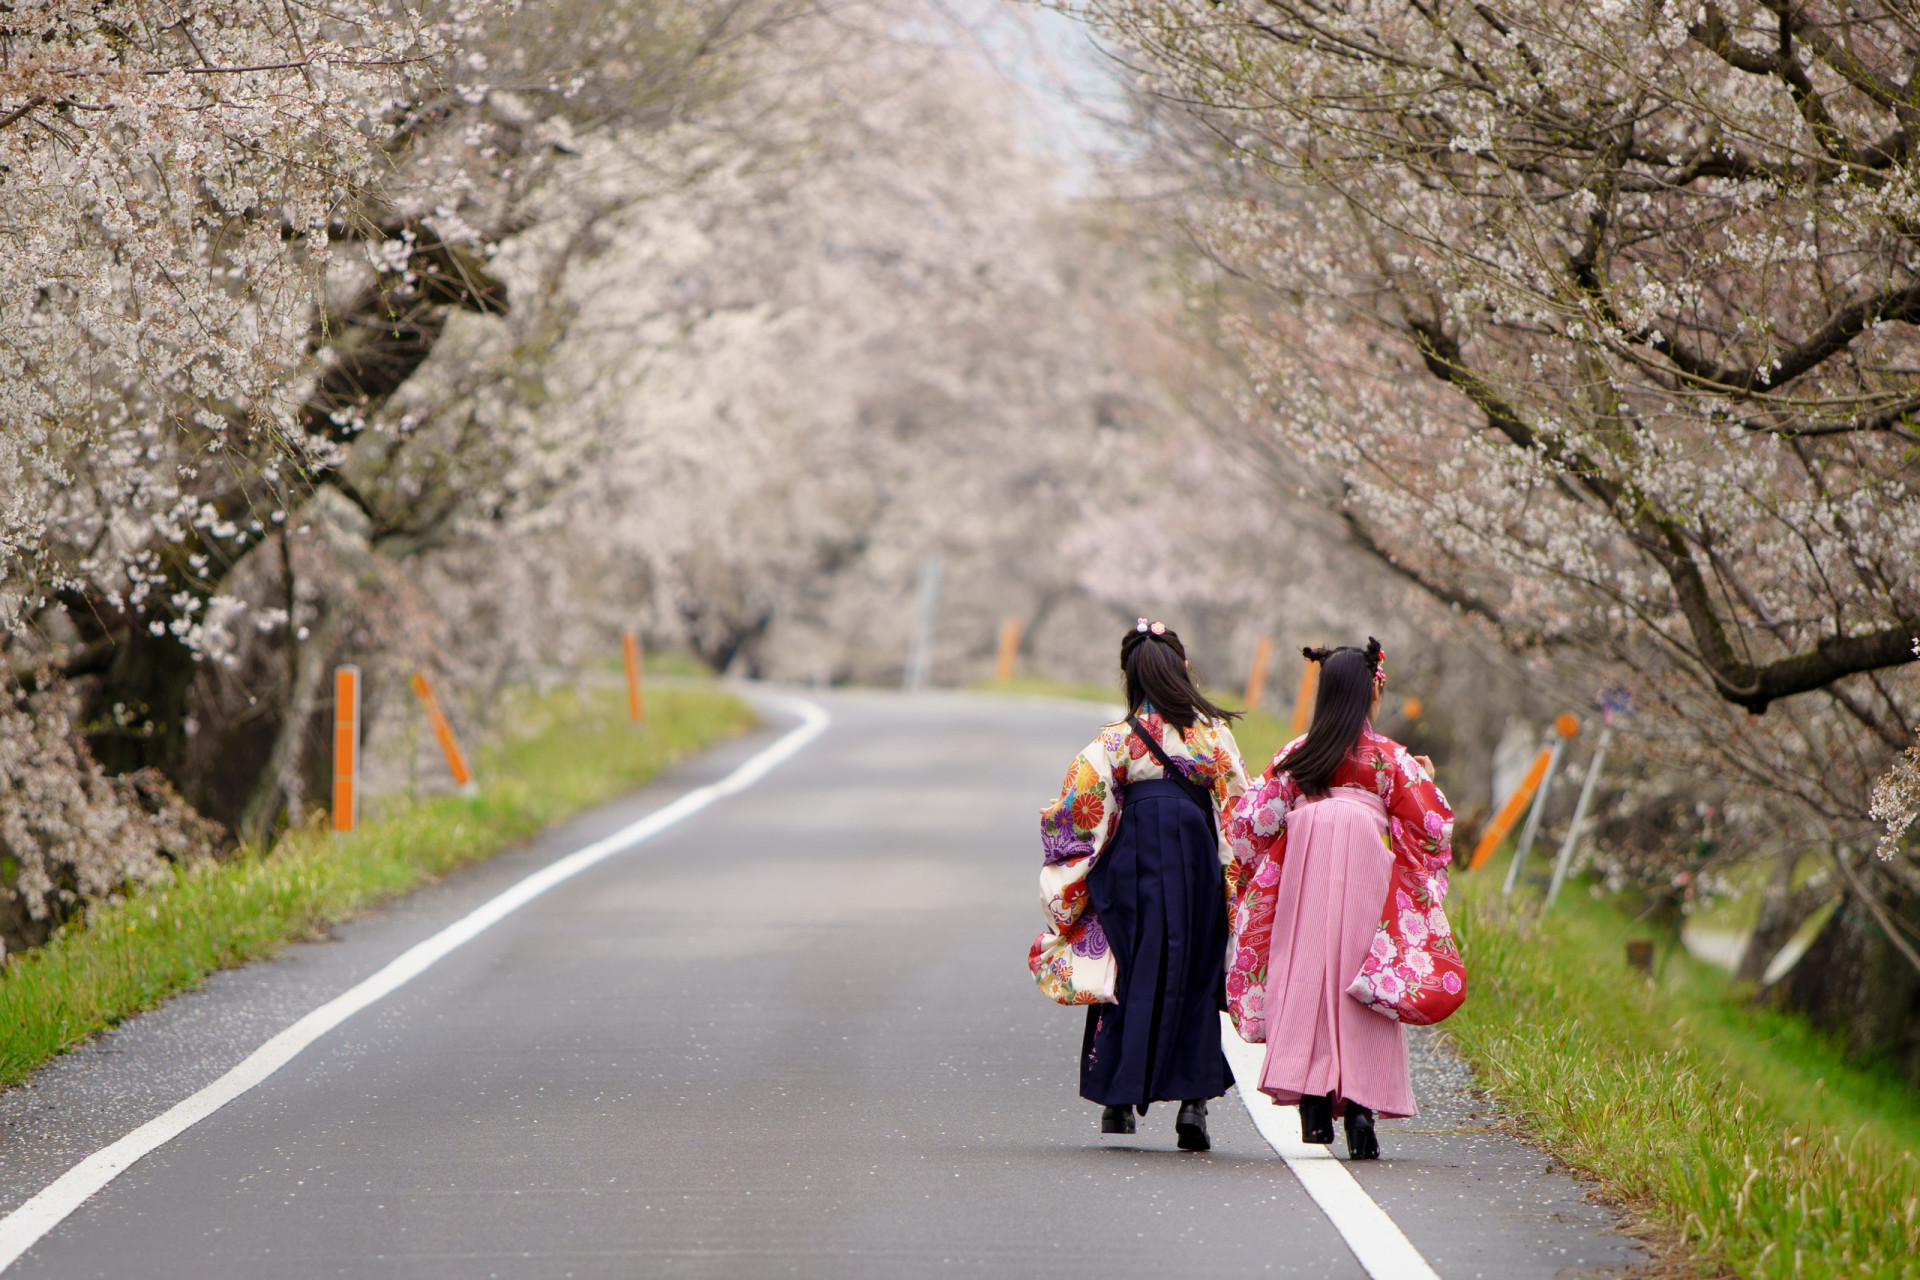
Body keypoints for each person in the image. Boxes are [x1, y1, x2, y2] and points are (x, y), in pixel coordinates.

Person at [1223, 639, 1454, 1160]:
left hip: (1306, 872)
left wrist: (1258, 866)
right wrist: (1419, 881)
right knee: (1362, 977)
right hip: (1369, 872)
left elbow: (1249, 826)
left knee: (1304, 972)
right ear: (1372, 694)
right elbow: (1433, 828)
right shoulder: (1392, 759)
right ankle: (1362, 1110)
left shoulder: (1300, 755)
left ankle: (1310, 1100)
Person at [1029, 620, 1249, 1151]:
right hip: (1196, 859)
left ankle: (1118, 1101)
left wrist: (1075, 867)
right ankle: (1193, 1105)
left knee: (1126, 967)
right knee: (1196, 972)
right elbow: (1239, 807)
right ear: (1182, 673)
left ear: (1131, 678)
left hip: (1132, 864)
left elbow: (1078, 810)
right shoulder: (1212, 736)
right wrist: (1234, 880)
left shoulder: (1116, 740)